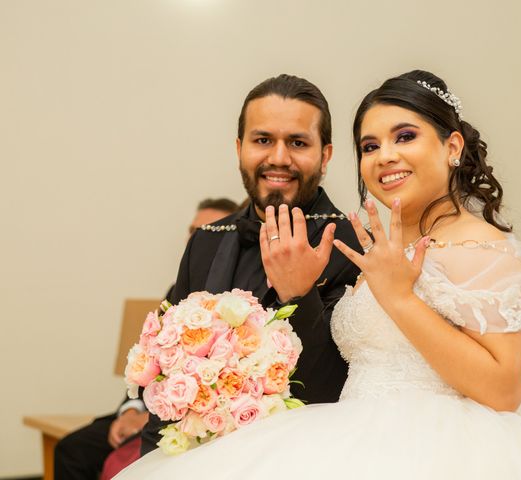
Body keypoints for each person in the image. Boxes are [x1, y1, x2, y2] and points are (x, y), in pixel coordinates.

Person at [116, 71, 521, 478]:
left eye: (404, 136)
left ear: (452, 147)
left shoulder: (485, 247)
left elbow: (504, 390)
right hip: (342, 434)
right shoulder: (382, 241)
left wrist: (399, 299)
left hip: (443, 452)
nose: (385, 156)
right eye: (370, 145)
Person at [139, 74, 362, 455]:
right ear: (240, 148)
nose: (278, 158)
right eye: (263, 140)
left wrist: (300, 294)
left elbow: (333, 388)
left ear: (325, 155)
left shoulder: (349, 242)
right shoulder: (205, 241)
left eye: (297, 142)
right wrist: (151, 458)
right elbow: (171, 367)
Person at [54, 198, 238, 480]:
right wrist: (131, 410)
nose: (197, 239)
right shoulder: (177, 290)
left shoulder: (237, 301)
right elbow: (153, 358)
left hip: (197, 418)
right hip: (149, 406)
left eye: (209, 230)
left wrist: (153, 416)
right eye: (193, 231)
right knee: (73, 449)